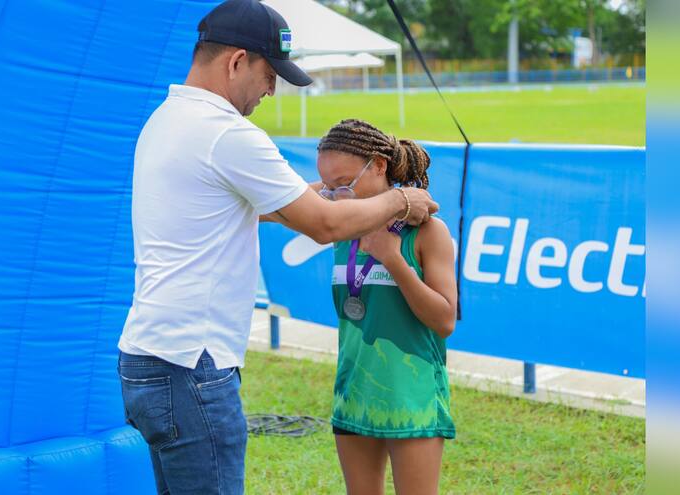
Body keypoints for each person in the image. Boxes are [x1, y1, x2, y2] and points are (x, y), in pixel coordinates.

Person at [115, 1, 440, 494]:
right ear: (237, 61)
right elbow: (325, 225)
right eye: (270, 74)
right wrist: (401, 199)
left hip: (147, 359)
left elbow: (274, 205)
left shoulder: (166, 121)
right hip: (192, 365)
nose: (271, 90)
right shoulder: (226, 133)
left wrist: (338, 193)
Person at [316, 119, 458, 495]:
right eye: (329, 188)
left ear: (379, 166)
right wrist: (333, 194)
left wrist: (393, 260)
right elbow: (281, 202)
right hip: (353, 394)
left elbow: (444, 320)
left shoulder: (428, 232)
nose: (337, 196)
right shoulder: (339, 225)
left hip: (411, 399)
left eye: (345, 182)